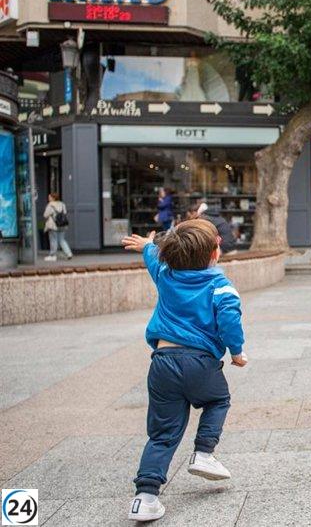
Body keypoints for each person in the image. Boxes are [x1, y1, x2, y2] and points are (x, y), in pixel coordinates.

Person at [120, 219, 248, 522]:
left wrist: (146, 246)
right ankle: (204, 453)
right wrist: (238, 352)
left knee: (163, 434)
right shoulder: (220, 285)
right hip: (200, 363)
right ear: (214, 255)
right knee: (218, 400)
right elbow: (230, 321)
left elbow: (154, 257)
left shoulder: (165, 274)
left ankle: (145, 497)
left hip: (162, 363)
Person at [43, 192, 72, 261]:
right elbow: (64, 213)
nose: (48, 198)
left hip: (53, 225)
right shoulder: (62, 204)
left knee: (53, 240)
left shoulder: (50, 205)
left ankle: (53, 255)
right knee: (62, 240)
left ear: (53, 198)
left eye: (49, 197)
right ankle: (69, 253)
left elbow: (45, 215)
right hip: (62, 225)